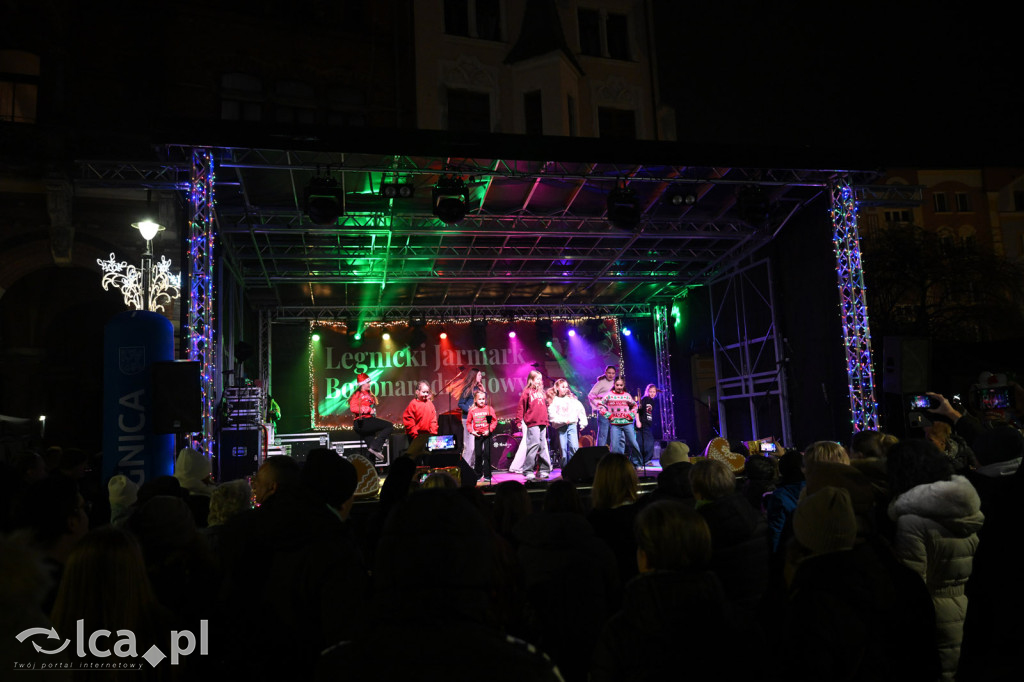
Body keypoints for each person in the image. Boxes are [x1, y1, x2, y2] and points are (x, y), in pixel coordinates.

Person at [886, 439, 983, 681]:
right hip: (965, 608)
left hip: (934, 617)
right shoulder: (966, 509)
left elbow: (913, 586)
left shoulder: (911, 521)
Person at [514, 370, 552, 480]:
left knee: (543, 446)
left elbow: (543, 408)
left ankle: (544, 470)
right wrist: (518, 420)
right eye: (537, 379)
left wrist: (546, 420)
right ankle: (528, 470)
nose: (540, 381)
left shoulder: (541, 392)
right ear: (531, 380)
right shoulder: (527, 392)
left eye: (541, 379)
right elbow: (521, 407)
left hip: (542, 422)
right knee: (533, 445)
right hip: (532, 422)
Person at [348, 372, 394, 462]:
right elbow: (353, 408)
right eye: (367, 382)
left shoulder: (369, 394)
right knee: (389, 426)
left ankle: (372, 473)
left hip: (367, 422)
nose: (369, 384)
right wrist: (368, 409)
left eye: (369, 382)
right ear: (362, 384)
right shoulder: (358, 394)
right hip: (362, 422)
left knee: (372, 451)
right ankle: (376, 446)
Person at [547, 378, 588, 468]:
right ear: (557, 388)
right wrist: (562, 420)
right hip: (561, 427)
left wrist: (583, 422)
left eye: (566, 387)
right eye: (562, 387)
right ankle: (565, 469)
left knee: (574, 447)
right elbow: (552, 415)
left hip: (572, 425)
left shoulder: (571, 399)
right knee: (563, 450)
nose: (565, 389)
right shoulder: (554, 400)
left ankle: (575, 468)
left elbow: (580, 409)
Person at [599, 377, 640, 465]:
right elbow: (600, 405)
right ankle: (615, 464)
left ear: (623, 385)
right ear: (614, 384)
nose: (619, 387)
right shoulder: (609, 395)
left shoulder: (626, 395)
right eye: (617, 385)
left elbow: (635, 405)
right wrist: (608, 415)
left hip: (627, 423)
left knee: (633, 443)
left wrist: (631, 414)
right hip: (615, 424)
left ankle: (637, 463)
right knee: (614, 446)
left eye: (621, 385)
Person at [455, 369, 487, 466]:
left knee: (477, 446)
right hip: (468, 420)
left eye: (481, 375)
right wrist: (470, 410)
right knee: (469, 446)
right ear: (474, 376)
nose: (480, 377)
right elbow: (460, 403)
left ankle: (472, 467)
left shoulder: (478, 388)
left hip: (478, 419)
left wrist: (484, 391)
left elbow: (484, 402)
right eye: (479, 375)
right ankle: (464, 467)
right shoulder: (468, 389)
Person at [465, 389, 498, 483]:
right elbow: (468, 423)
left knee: (487, 455)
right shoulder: (472, 410)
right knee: (478, 455)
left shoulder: (489, 409)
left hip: (487, 434)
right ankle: (478, 474)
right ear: (475, 400)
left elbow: (494, 421)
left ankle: (487, 475)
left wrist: (489, 430)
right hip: (478, 435)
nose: (482, 401)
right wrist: (472, 431)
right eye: (479, 399)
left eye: (483, 399)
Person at [402, 380, 438, 458]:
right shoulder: (413, 404)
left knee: (426, 458)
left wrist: (433, 433)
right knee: (414, 457)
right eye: (423, 392)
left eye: (427, 392)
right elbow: (409, 420)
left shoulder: (430, 404)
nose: (425, 394)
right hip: (415, 437)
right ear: (417, 392)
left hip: (427, 436)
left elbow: (433, 419)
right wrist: (415, 435)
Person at [588, 365, 618, 449]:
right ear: (605, 373)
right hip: (604, 411)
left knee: (615, 434)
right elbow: (591, 395)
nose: (611, 375)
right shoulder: (601, 382)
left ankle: (614, 455)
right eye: (609, 373)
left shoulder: (616, 383)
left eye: (613, 373)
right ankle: (600, 455)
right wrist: (598, 406)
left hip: (615, 411)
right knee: (603, 434)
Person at [637, 383, 661, 465]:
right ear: (647, 391)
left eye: (654, 392)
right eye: (650, 391)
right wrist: (638, 421)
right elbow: (637, 410)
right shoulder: (645, 399)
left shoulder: (651, 401)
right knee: (649, 442)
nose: (652, 393)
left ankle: (641, 460)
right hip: (642, 424)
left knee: (641, 442)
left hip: (646, 424)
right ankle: (646, 460)